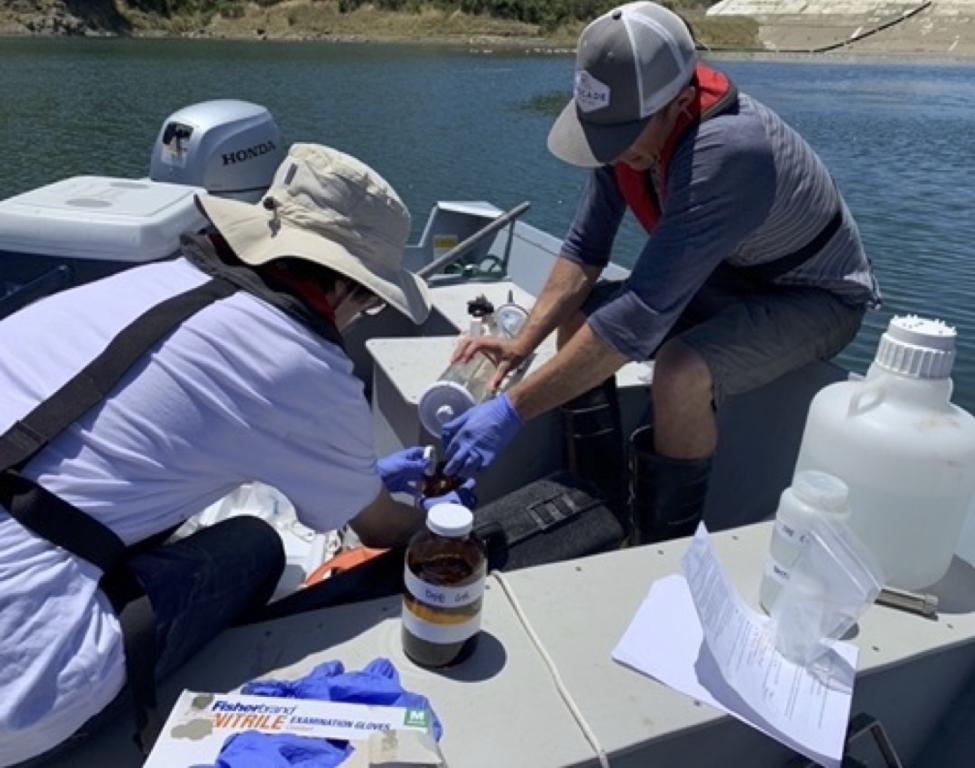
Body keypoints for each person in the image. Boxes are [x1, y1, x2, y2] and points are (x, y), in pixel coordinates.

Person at [0, 144, 469, 767]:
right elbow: (379, 527)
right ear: (352, 287)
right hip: (22, 675)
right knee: (256, 541)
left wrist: (356, 474)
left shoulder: (148, 281)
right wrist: (444, 516)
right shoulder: (306, 366)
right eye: (371, 301)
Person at [442, 2, 879, 543]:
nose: (613, 152)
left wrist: (512, 410)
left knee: (680, 372)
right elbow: (583, 250)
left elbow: (640, 317)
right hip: (724, 279)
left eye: (624, 135)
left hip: (813, 298)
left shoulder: (728, 152)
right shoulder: (622, 137)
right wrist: (522, 342)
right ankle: (595, 502)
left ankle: (659, 544)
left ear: (681, 102)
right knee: (576, 322)